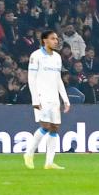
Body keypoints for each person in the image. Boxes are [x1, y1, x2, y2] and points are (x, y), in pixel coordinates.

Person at [24, 28, 69, 170]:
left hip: (54, 97)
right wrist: (35, 100)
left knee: (55, 127)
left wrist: (65, 99)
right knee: (45, 126)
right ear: (45, 40)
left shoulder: (57, 57)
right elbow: (31, 79)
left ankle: (49, 162)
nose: (56, 41)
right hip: (42, 97)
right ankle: (29, 153)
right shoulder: (35, 56)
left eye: (56, 39)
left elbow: (58, 80)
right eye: (53, 38)